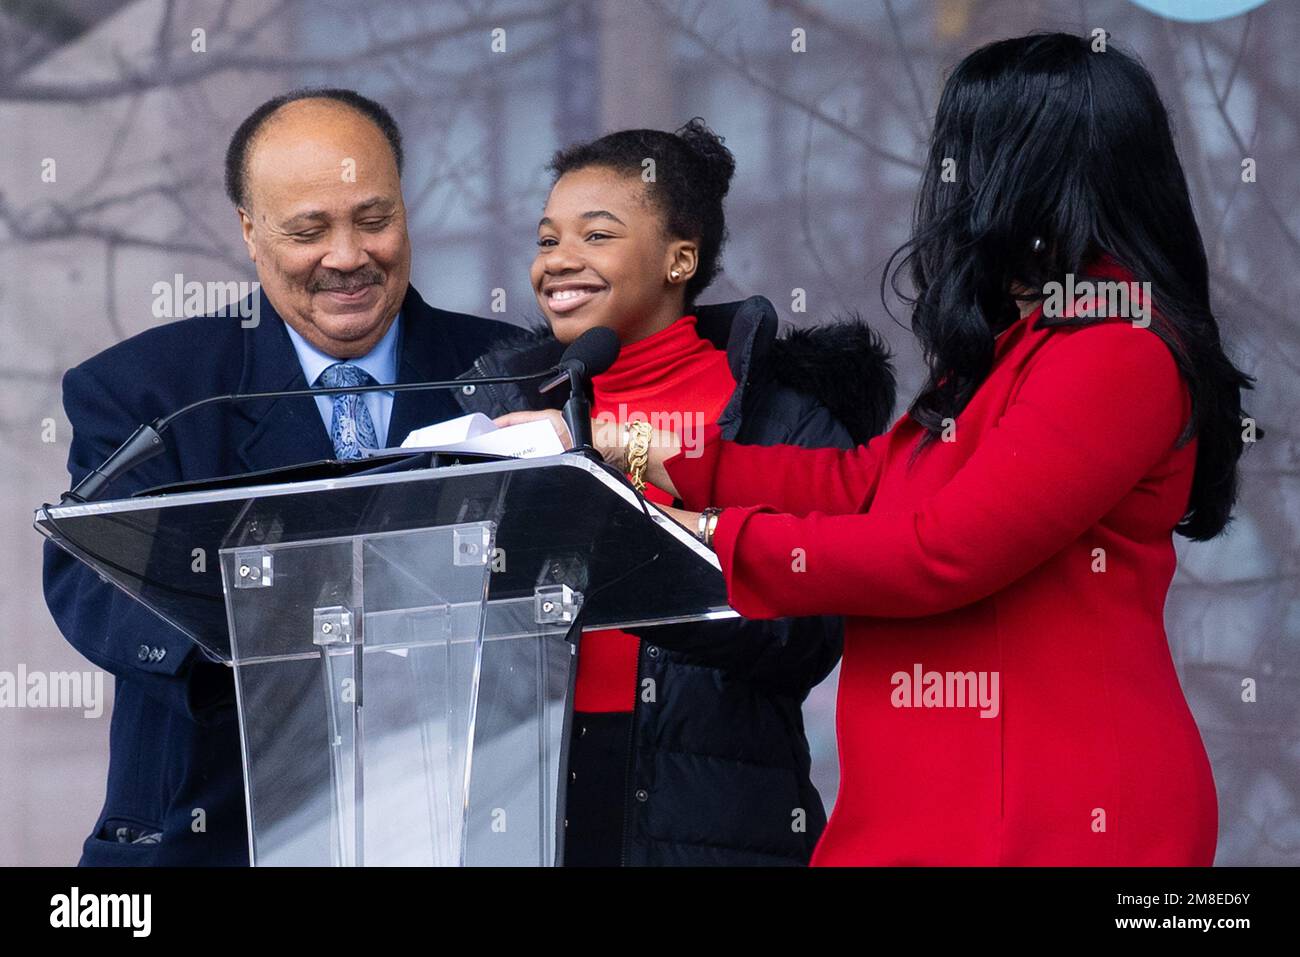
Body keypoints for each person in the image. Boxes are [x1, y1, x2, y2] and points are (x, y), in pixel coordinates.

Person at [513, 35, 1258, 865]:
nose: (949, 189)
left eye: (965, 158)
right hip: (943, 801)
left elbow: (941, 551)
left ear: (1034, 174)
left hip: (1054, 810)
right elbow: (858, 483)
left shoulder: (1116, 348)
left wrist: (698, 535)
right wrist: (622, 451)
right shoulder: (1028, 343)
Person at [43, 88, 515, 865]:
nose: (347, 256)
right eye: (309, 229)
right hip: (215, 824)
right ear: (250, 232)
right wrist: (274, 622)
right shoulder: (151, 388)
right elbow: (93, 578)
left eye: (374, 219)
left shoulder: (507, 374)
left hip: (462, 821)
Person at [461, 120, 896, 865]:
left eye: (596, 236)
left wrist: (622, 541)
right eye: (546, 239)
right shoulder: (500, 417)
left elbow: (807, 635)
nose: (558, 261)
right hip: (523, 805)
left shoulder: (778, 417)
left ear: (679, 258)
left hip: (713, 811)